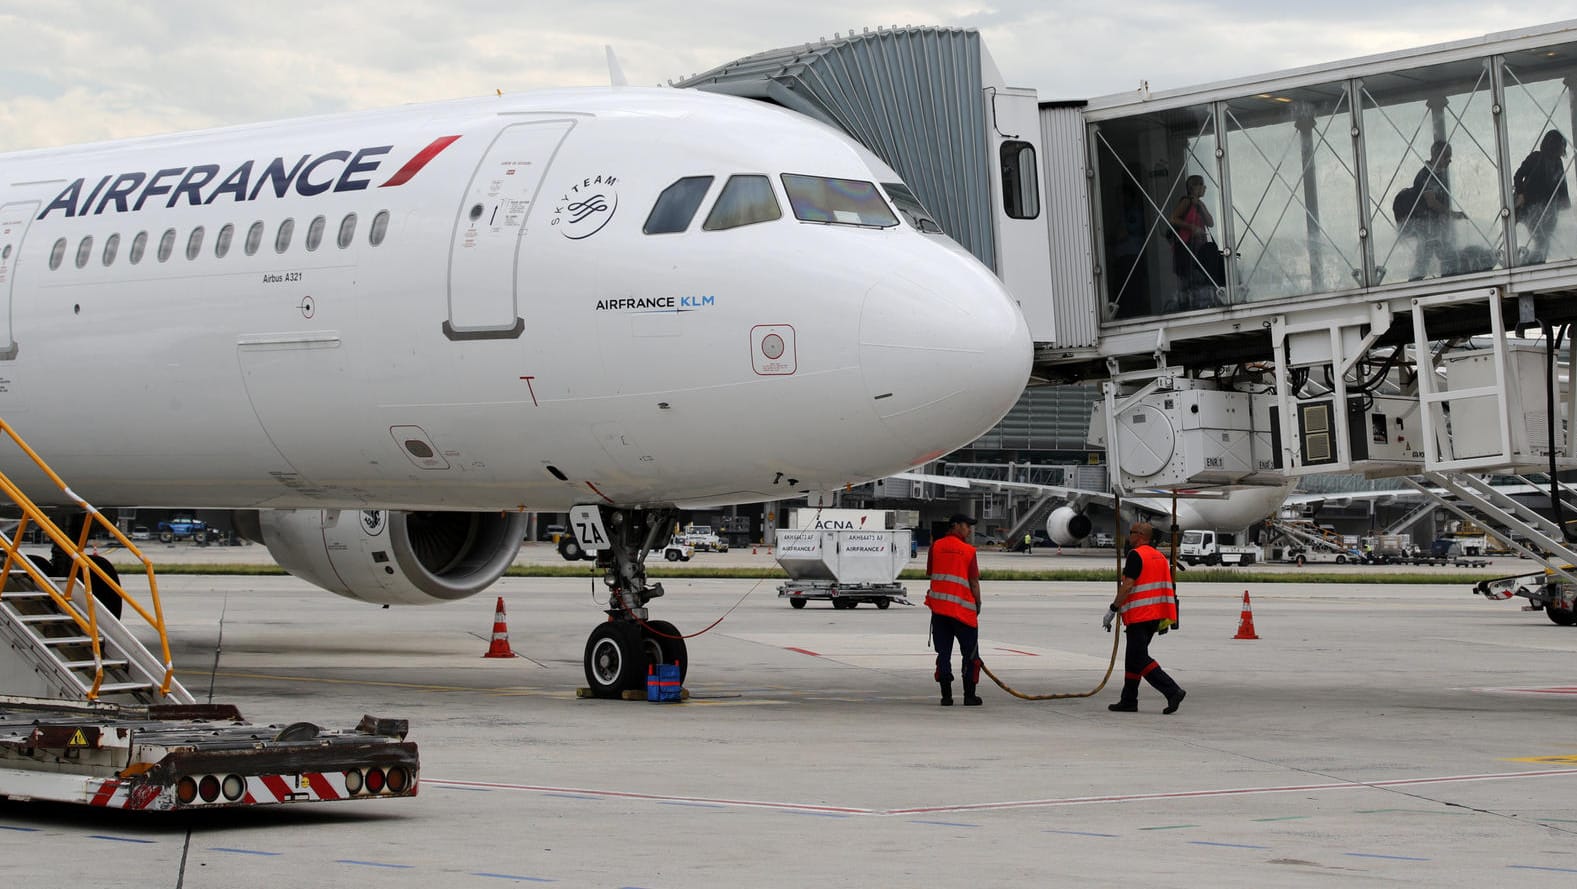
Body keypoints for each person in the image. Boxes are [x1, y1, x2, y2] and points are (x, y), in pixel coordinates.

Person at [1103, 521, 1185, 714]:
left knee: (1139, 658)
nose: (1128, 536)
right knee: (1132, 658)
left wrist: (1113, 608)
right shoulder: (1159, 556)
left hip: (1140, 616)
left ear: (1139, 535)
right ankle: (1129, 700)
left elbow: (1128, 585)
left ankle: (1172, 690)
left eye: (1130, 533)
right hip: (1155, 616)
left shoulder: (1136, 555)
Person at [926, 513, 984, 706]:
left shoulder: (935, 547)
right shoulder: (968, 551)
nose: (969, 530)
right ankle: (969, 696)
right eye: (967, 526)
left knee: (943, 653)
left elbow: (933, 573)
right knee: (970, 654)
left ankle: (946, 696)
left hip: (940, 611)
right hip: (963, 612)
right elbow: (973, 582)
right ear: (956, 526)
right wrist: (978, 604)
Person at [1404, 140, 1469, 280]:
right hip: (1428, 228)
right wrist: (1453, 214)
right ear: (1436, 155)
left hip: (1433, 229)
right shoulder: (1427, 176)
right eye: (1446, 156)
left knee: (1437, 257)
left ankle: (1447, 278)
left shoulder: (1437, 175)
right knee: (1434, 257)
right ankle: (1446, 279)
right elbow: (1431, 202)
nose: (1449, 160)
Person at [1513, 129, 1571, 265]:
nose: (1564, 150)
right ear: (1555, 145)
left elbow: (1562, 186)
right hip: (1530, 209)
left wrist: (1564, 208)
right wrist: (1521, 194)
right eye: (1562, 146)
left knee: (1543, 242)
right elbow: (1518, 175)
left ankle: (1534, 263)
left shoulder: (1557, 163)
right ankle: (1531, 264)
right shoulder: (1536, 158)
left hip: (1548, 211)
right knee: (1540, 240)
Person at [1168, 175, 1222, 308]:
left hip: (1200, 248)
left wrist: (1201, 207)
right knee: (1189, 279)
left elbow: (1210, 223)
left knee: (1201, 276)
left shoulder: (1198, 204)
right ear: (1193, 187)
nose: (1204, 188)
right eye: (1201, 185)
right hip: (1187, 247)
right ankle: (1187, 304)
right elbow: (1173, 218)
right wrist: (1191, 227)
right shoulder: (1186, 202)